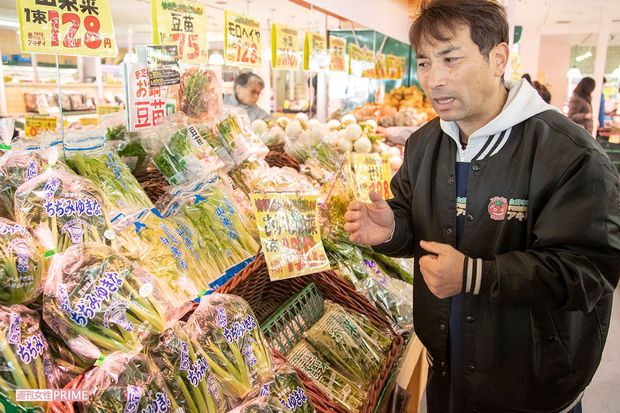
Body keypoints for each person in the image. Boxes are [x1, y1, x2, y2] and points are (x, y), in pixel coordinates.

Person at [344, 1, 620, 413]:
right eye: (424, 63)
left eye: (450, 59)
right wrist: (391, 230)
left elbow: (588, 272)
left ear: (498, 58)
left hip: (529, 387)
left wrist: (475, 275)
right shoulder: (424, 144)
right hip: (445, 369)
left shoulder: (569, 154)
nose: (434, 79)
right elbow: (416, 226)